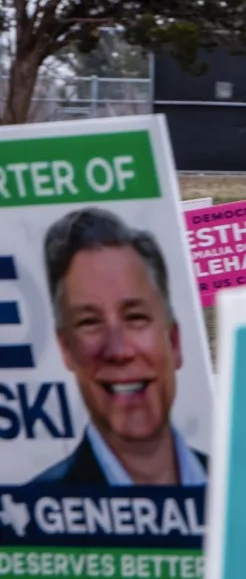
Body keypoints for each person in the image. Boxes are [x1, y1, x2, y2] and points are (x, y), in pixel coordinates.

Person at [32, 208, 205, 487]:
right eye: (90, 322)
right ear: (66, 348)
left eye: (135, 317)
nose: (119, 350)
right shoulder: (29, 516)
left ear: (174, 341)